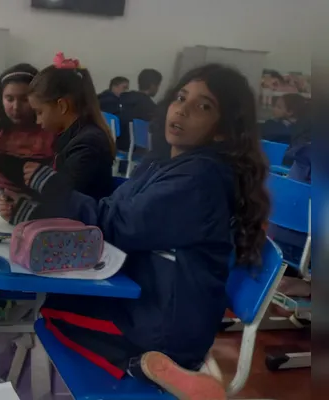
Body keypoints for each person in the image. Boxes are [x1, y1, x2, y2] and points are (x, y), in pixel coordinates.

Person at [23, 64, 271, 400]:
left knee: (49, 310)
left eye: (203, 106)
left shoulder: (199, 180)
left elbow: (117, 224)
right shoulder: (163, 163)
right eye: (181, 97)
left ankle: (144, 367)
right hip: (153, 300)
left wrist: (49, 190)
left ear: (222, 131)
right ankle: (151, 367)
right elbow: (113, 209)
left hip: (165, 325)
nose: (182, 108)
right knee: (56, 301)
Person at [0, 53, 115, 223]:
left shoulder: (87, 144)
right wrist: (18, 199)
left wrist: (23, 212)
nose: (37, 120)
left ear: (62, 106)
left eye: (39, 112)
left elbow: (70, 207)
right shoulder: (72, 138)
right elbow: (57, 192)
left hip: (82, 235)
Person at [117, 68, 163, 152]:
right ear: (153, 86)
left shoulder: (122, 97)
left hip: (117, 142)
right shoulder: (151, 107)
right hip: (135, 148)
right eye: (158, 86)